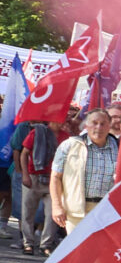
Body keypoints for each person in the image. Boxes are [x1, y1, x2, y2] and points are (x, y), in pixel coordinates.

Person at [47, 107, 114, 242]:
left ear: (109, 126)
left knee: (101, 254)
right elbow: (55, 177)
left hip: (108, 212)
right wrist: (57, 206)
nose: (98, 127)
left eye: (103, 123)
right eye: (94, 123)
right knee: (79, 252)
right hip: (76, 212)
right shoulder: (69, 145)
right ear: (86, 126)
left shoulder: (120, 147)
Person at [10, 115, 56, 254]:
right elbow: (23, 153)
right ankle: (27, 243)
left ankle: (45, 245)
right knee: (28, 213)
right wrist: (23, 174)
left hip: (52, 179)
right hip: (33, 176)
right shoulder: (35, 132)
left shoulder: (66, 135)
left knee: (51, 213)